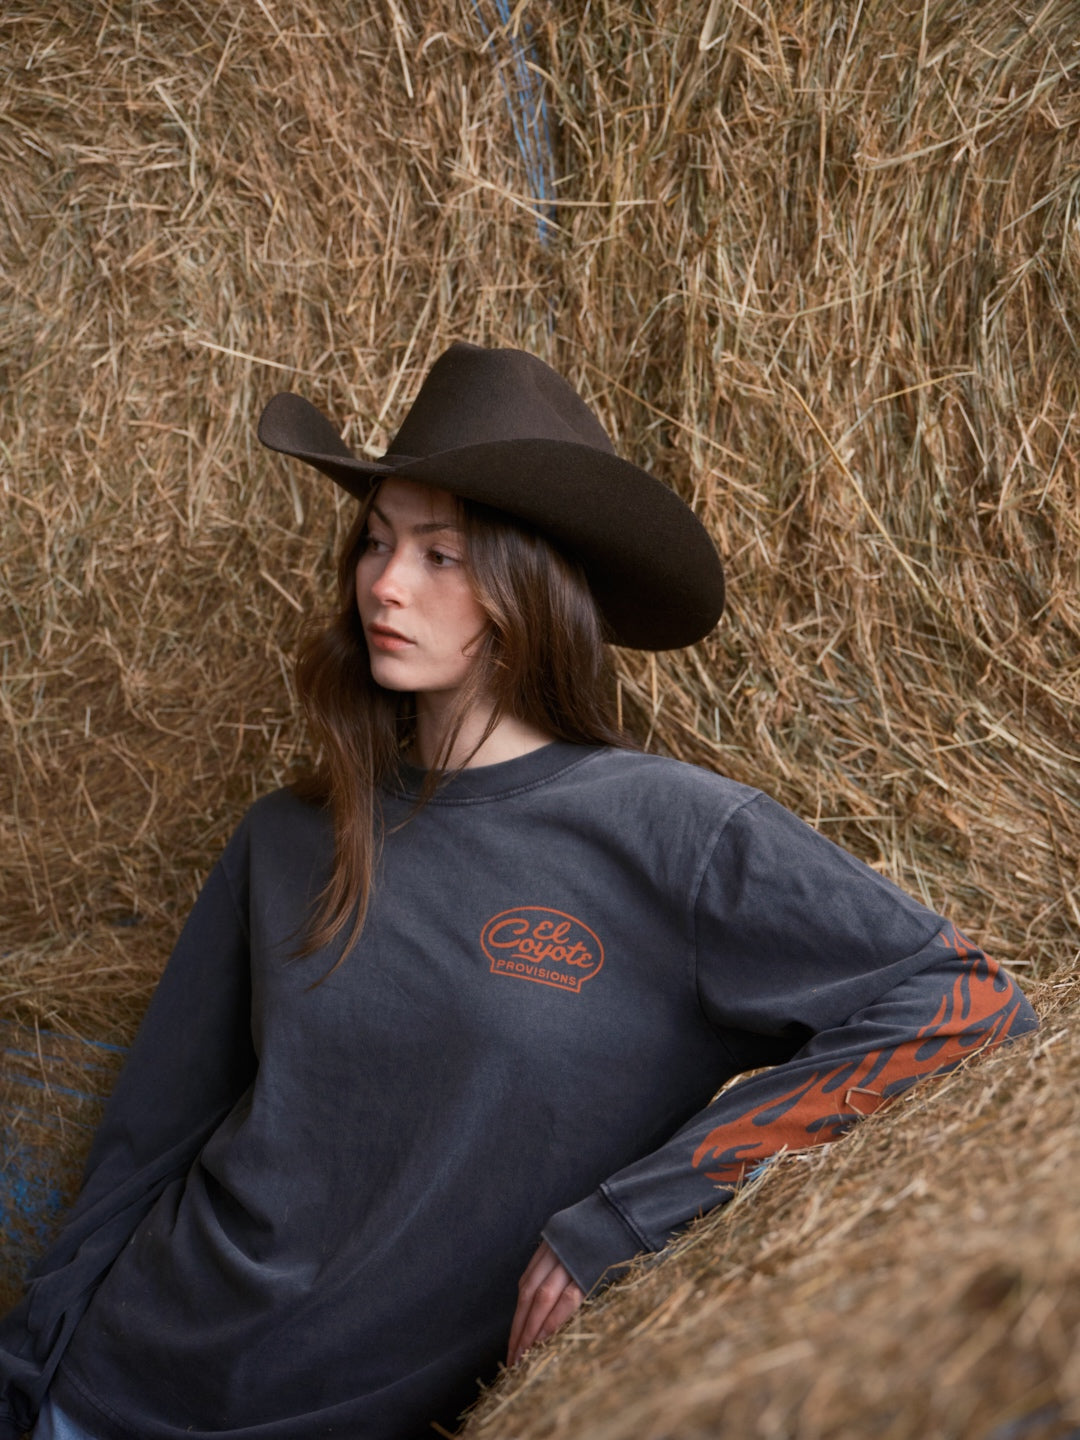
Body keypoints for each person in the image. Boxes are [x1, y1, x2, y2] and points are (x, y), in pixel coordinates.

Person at [0, 343, 1037, 1440]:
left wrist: (625, 1219)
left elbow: (962, 1004)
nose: (386, 583)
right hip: (109, 1385)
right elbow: (147, 1140)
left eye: (441, 554)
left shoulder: (674, 833)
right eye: (378, 541)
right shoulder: (287, 836)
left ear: (526, 583)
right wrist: (27, 1371)